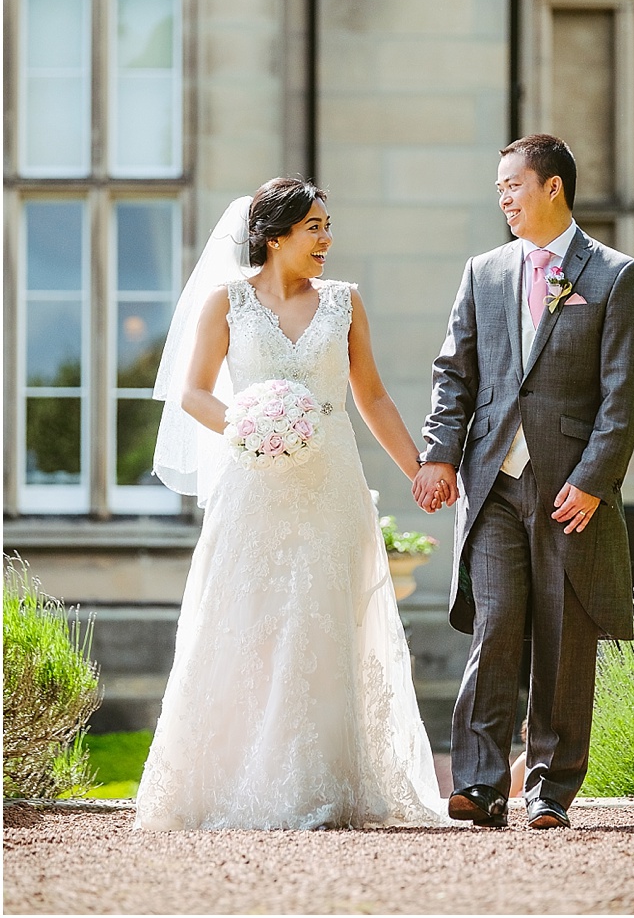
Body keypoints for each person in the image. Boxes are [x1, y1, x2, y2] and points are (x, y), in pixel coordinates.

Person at [136, 178, 447, 831]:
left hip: (330, 483)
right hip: (253, 487)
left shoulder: (345, 303)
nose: (327, 239)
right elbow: (192, 392)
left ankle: (324, 779)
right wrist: (248, 426)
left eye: (328, 225)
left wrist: (418, 470)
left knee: (323, 621)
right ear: (274, 235)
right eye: (314, 227)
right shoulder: (227, 303)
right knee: (248, 623)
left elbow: (374, 397)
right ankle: (237, 779)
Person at [414, 133, 634, 830]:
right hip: (490, 484)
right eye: (498, 189)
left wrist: (593, 479)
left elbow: (624, 394)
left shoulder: (613, 276)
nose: (504, 199)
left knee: (562, 637)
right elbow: (453, 373)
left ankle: (549, 789)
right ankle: (482, 784)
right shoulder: (483, 272)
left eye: (513, 185)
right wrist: (439, 454)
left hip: (568, 491)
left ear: (553, 187)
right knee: (495, 628)